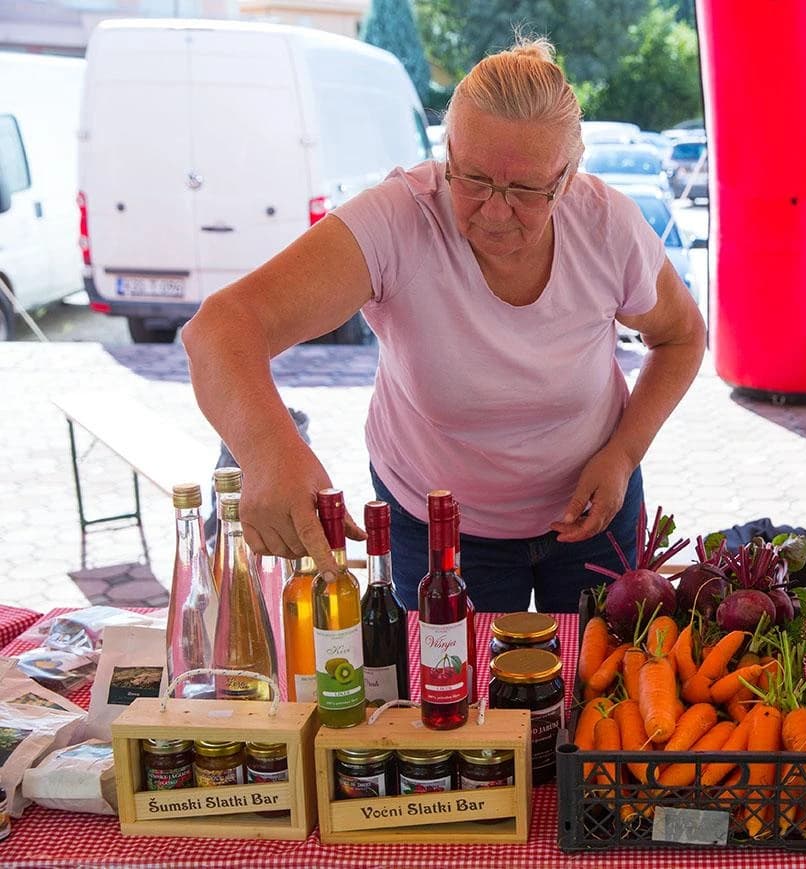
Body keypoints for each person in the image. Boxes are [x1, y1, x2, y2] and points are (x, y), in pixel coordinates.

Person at [182, 37, 706, 614]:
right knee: (453, 694)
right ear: (447, 152)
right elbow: (221, 328)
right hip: (436, 519)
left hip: (592, 505)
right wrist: (271, 455)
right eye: (473, 179)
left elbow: (681, 336)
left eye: (527, 190)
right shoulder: (397, 221)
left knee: (597, 687)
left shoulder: (608, 225)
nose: (495, 210)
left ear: (568, 174)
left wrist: (624, 452)